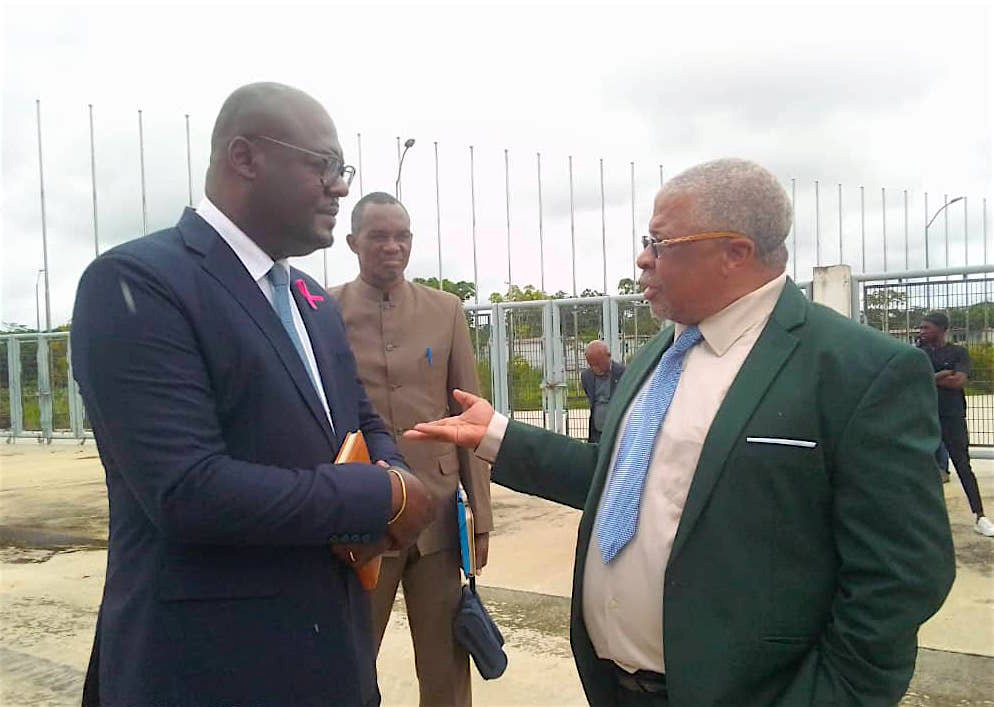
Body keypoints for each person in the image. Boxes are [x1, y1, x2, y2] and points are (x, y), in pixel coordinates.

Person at [405, 158, 956, 706]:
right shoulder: (659, 355)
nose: (643, 259)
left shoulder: (858, 370)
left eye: (660, 242)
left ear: (734, 252)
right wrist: (499, 435)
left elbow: (902, 576)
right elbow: (620, 484)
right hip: (615, 686)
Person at [71, 83, 435, 707]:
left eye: (341, 170)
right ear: (245, 158)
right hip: (209, 666)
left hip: (333, 660)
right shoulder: (138, 283)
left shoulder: (310, 302)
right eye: (323, 166)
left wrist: (395, 467)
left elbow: (362, 419)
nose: (340, 188)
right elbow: (189, 490)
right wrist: (385, 493)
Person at [329, 192, 493, 706]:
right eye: (379, 236)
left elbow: (469, 418)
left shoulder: (444, 311)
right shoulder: (322, 311)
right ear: (353, 242)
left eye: (402, 236)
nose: (392, 247)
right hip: (361, 517)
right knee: (347, 665)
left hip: (439, 517)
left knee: (445, 667)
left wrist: (480, 520)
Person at [917, 311, 994, 536]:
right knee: (922, 469)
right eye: (921, 328)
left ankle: (980, 516)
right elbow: (913, 381)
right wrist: (941, 375)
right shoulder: (918, 354)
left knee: (963, 465)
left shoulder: (958, 352)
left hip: (952, 417)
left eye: (926, 328)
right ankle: (924, 519)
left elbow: (958, 381)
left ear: (941, 330)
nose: (921, 332)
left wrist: (932, 379)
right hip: (925, 417)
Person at [581, 340, 626, 443]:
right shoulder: (586, 376)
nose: (595, 368)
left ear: (608, 356)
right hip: (597, 431)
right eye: (591, 364)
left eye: (598, 363)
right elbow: (590, 397)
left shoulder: (623, 373)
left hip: (618, 430)